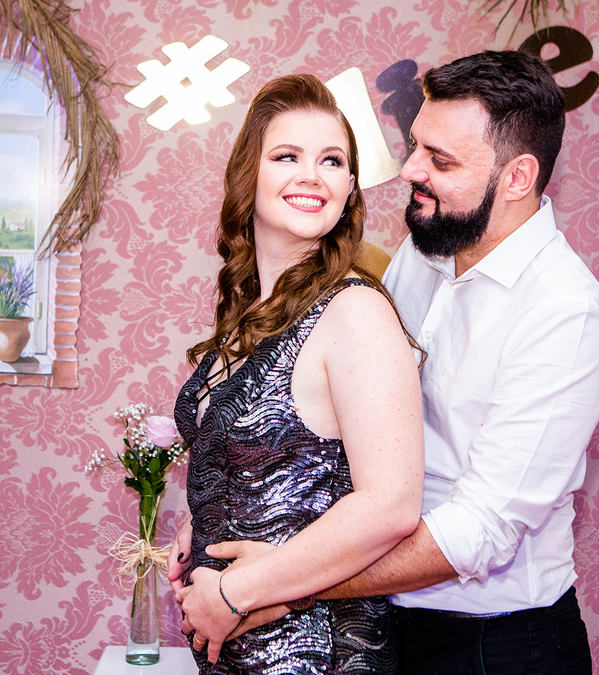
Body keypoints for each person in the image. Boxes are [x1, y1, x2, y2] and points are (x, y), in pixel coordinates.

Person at [197, 51, 599, 674]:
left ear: (517, 177)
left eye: (440, 160)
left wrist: (277, 585)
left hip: (493, 644)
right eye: (417, 145)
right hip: (382, 619)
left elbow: (478, 530)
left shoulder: (566, 314)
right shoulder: (425, 253)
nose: (410, 170)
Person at [169, 73, 425, 674]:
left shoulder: (354, 310)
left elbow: (391, 505)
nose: (312, 175)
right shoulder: (250, 310)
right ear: (248, 175)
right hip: (236, 650)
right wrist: (205, 515)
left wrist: (231, 594)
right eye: (288, 156)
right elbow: (274, 459)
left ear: (349, 188)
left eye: (332, 161)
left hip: (315, 652)